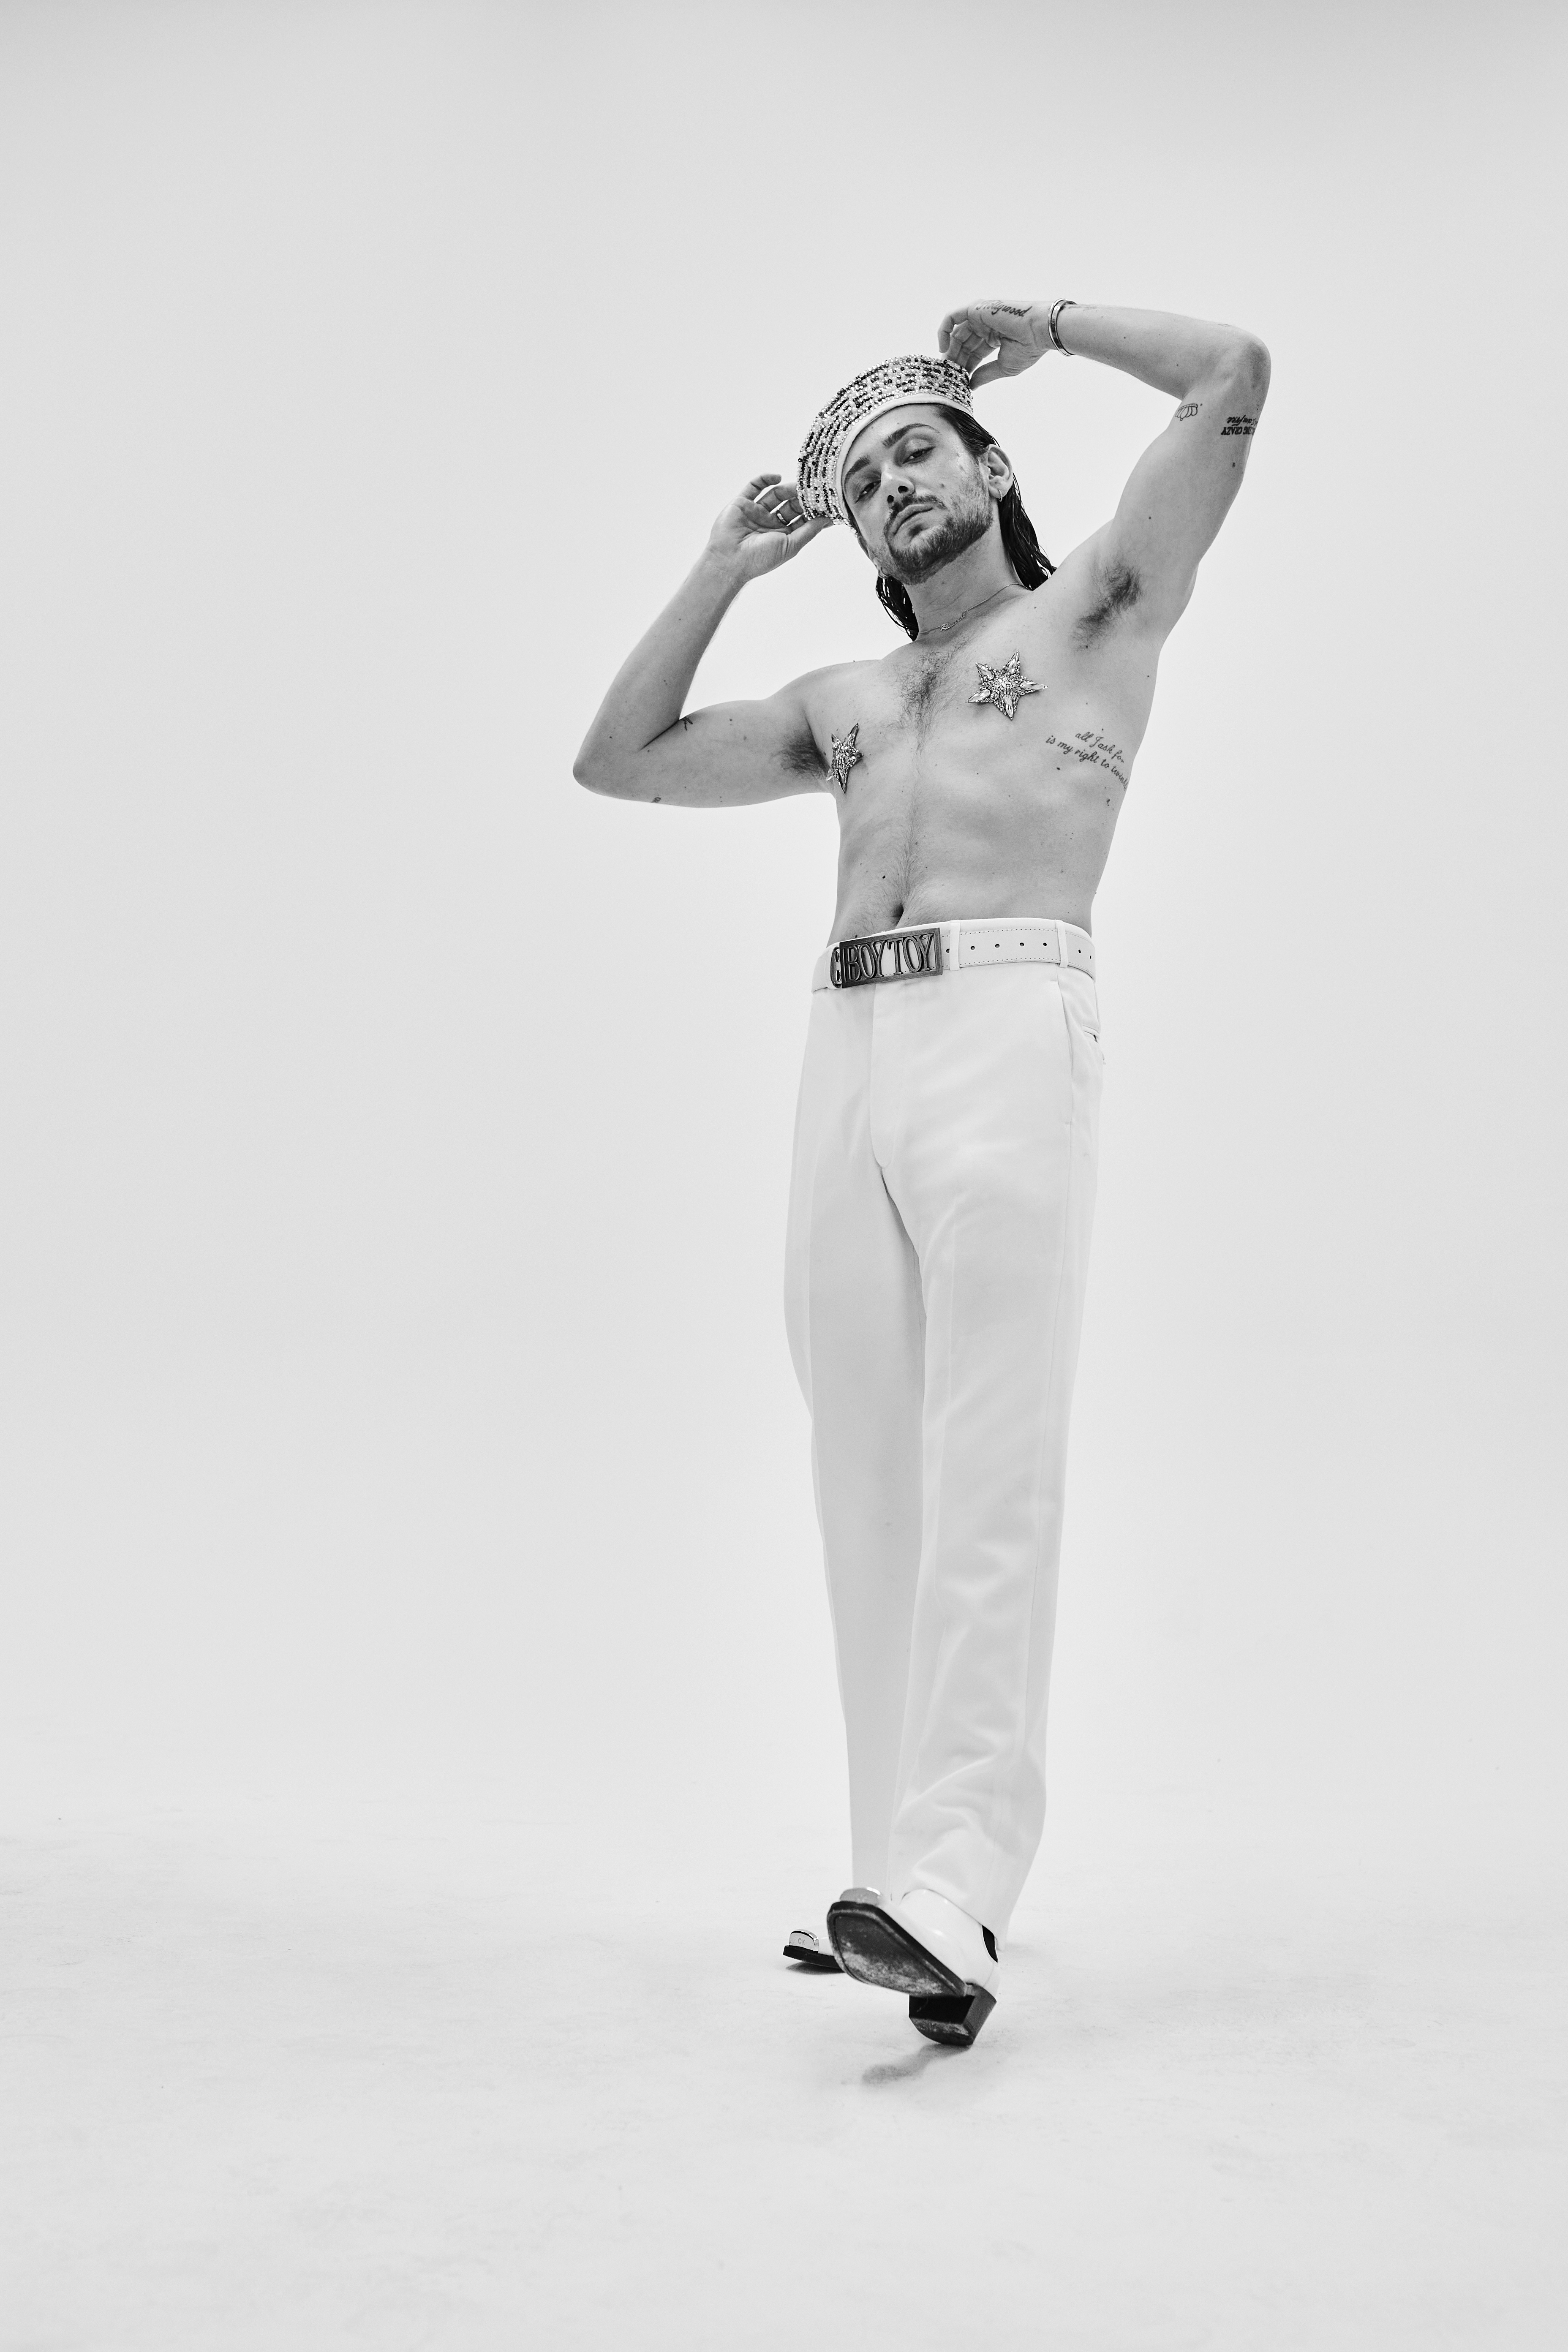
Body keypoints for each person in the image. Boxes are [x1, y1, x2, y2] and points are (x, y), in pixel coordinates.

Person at [574, 299, 1270, 2047]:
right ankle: (896, 1875)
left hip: (1007, 1020)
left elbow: (1232, 378)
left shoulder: (1096, 606)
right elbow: (619, 759)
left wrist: (1047, 325)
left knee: (989, 1458)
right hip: (848, 1043)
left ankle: (959, 1886)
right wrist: (723, 566)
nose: (892, 485)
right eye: (866, 480)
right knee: (863, 1459)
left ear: (989, 463)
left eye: (917, 451)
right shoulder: (850, 702)